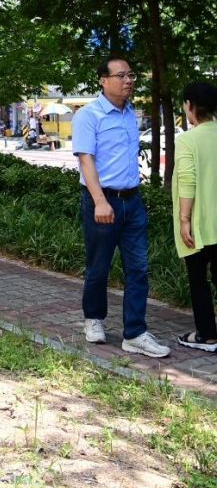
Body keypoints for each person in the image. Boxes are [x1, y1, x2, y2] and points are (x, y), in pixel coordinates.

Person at [72, 57, 170, 358]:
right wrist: (100, 200)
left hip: (133, 201)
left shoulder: (130, 113)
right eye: (121, 76)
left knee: (138, 268)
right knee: (99, 266)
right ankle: (94, 319)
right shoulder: (89, 116)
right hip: (102, 200)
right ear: (103, 79)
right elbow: (85, 159)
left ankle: (135, 333)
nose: (128, 81)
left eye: (131, 75)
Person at [172, 81, 217, 351]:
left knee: (198, 280)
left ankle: (207, 335)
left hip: (200, 226)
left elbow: (187, 181)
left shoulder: (188, 140)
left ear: (189, 106)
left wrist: (184, 219)